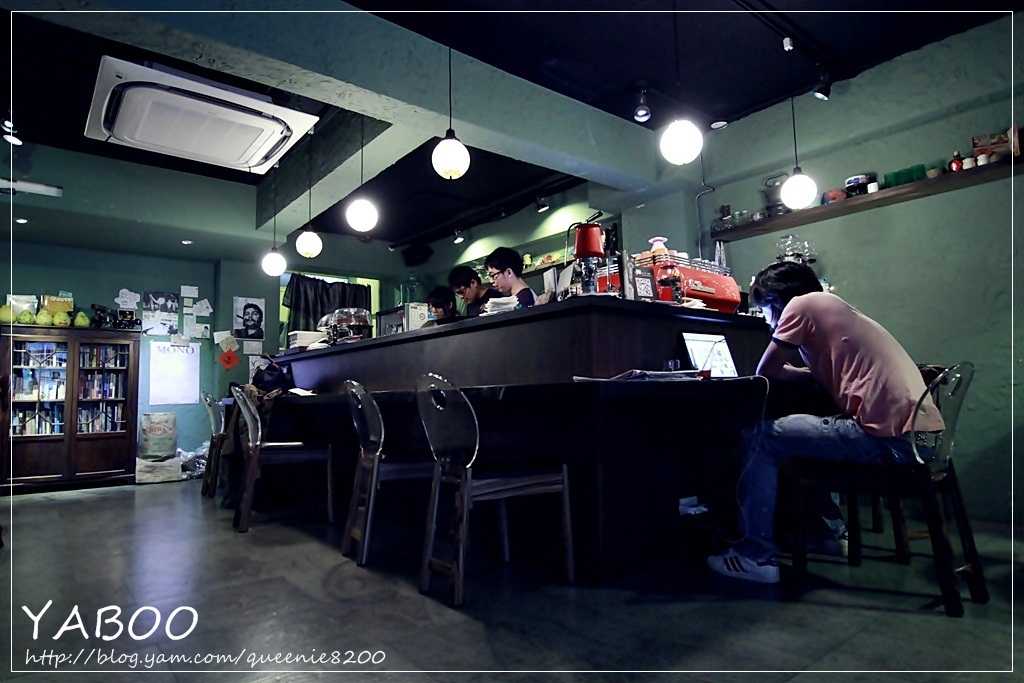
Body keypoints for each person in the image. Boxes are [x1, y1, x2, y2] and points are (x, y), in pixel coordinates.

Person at [707, 261, 943, 584]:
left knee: (762, 437)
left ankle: (755, 555)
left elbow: (766, 370)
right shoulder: (835, 307)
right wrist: (807, 374)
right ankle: (825, 535)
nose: (768, 322)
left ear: (775, 301)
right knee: (809, 435)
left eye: (765, 312)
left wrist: (791, 372)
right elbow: (824, 375)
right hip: (922, 439)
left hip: (890, 439)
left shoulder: (800, 306)